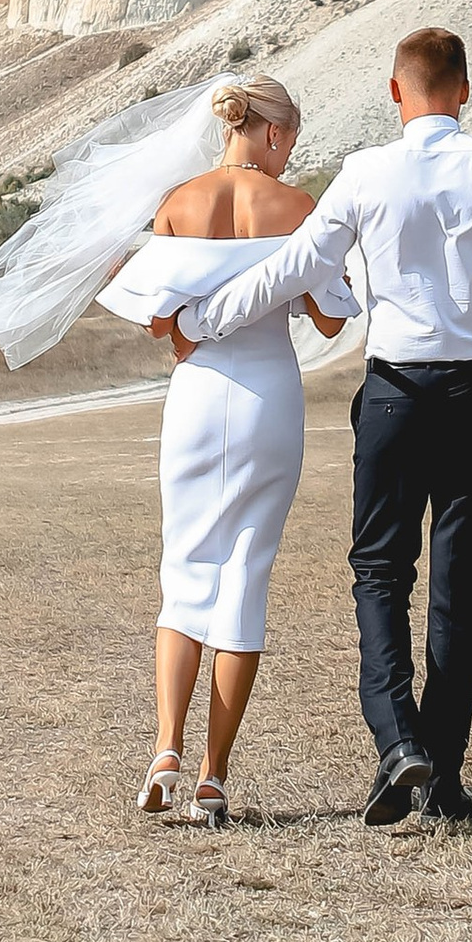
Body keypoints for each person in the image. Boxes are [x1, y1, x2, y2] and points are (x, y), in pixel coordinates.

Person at [164, 26, 472, 829]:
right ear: (465, 90)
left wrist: (205, 320)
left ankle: (396, 742)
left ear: (394, 92)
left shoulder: (365, 173)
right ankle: (444, 778)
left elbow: (293, 269)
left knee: (380, 572)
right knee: (461, 586)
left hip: (395, 393)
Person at [90, 75, 357, 828]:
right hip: (270, 393)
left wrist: (192, 325)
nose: (287, 157)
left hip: (198, 395)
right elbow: (332, 322)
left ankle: (165, 749)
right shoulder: (299, 206)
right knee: (246, 570)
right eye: (290, 143)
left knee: (184, 565)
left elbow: (160, 326)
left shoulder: (178, 203)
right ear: (272, 133)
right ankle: (214, 775)